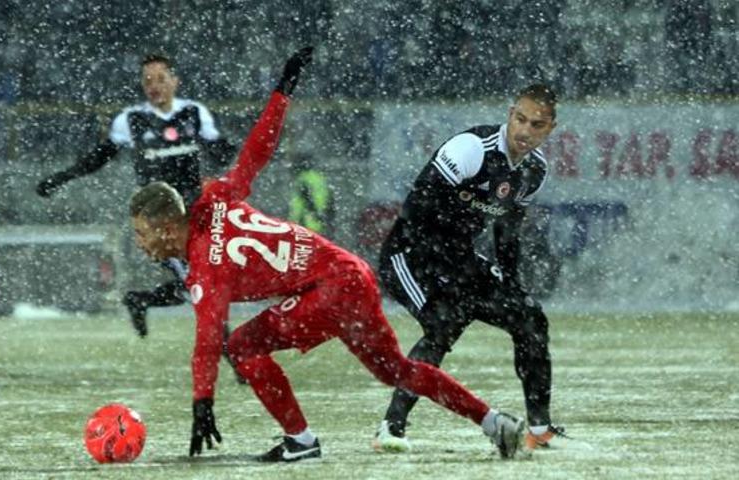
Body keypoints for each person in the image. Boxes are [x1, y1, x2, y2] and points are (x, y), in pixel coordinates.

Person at [130, 46, 526, 462]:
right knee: (393, 370)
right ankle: (494, 422)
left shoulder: (205, 270)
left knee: (243, 346)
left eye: (142, 233)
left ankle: (300, 442)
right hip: (348, 271)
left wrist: (202, 401)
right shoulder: (218, 197)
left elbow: (209, 340)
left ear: (167, 227)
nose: (140, 242)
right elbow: (256, 153)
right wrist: (282, 90)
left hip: (328, 291)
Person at [372, 84, 564, 454]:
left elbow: (507, 230)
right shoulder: (472, 149)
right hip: (409, 255)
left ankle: (540, 431)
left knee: (529, 319)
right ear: (509, 114)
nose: (525, 131)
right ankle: (390, 429)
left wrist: (511, 282)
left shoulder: (534, 170)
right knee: (443, 322)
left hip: (457, 259)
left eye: (536, 125)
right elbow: (415, 211)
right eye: (520, 119)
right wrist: (449, 270)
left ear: (550, 129)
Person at [35, 53, 234, 337]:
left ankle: (141, 300)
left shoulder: (194, 113)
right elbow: (99, 157)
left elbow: (221, 150)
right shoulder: (131, 119)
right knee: (200, 283)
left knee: (195, 285)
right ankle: (233, 352)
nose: (154, 85)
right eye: (147, 80)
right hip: (159, 217)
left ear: (175, 81)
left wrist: (230, 151)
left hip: (194, 210)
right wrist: (61, 177)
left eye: (161, 79)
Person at [287, 154, 335, 236]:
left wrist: (312, 215)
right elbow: (330, 200)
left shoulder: (303, 179)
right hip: (319, 222)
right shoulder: (320, 178)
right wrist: (326, 219)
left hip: (305, 222)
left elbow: (305, 200)